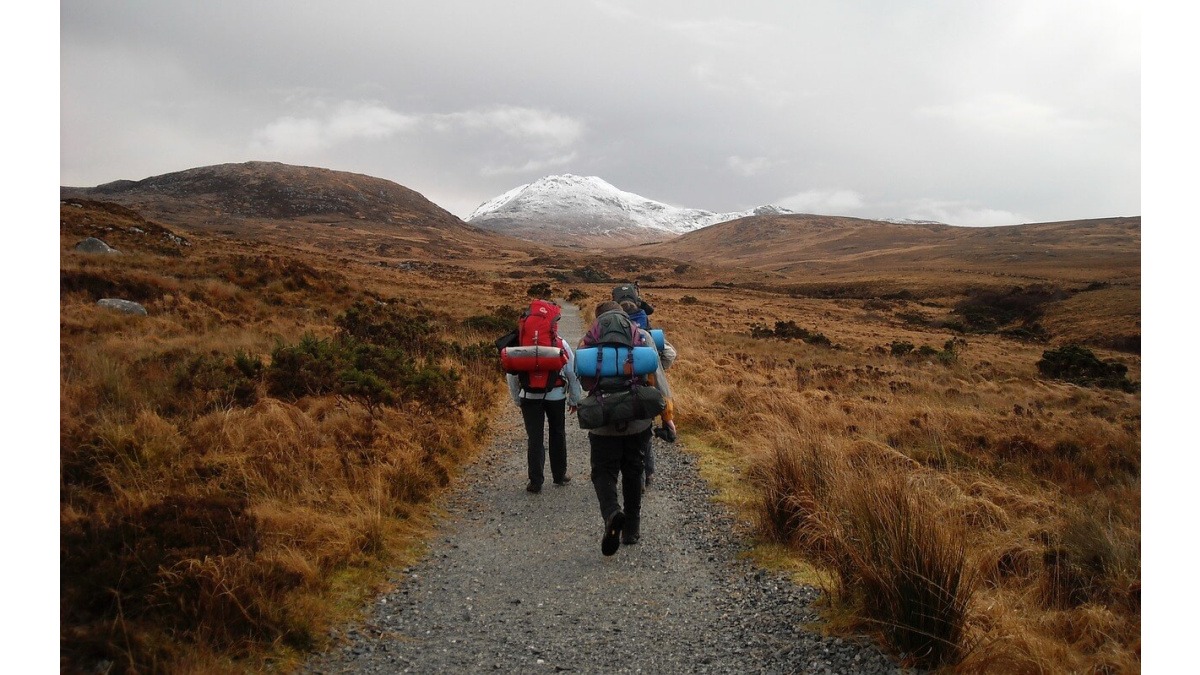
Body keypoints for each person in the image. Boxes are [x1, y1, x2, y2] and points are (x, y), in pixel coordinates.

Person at [578, 301, 677, 554]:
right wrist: (667, 417)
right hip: (638, 418)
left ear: (598, 319)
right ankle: (632, 529)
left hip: (602, 421)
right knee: (634, 470)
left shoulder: (588, 340)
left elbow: (585, 382)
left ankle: (612, 513)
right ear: (625, 318)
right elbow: (658, 380)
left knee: (603, 472)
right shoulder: (642, 336)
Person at [507, 302, 583, 494]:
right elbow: (572, 372)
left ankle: (535, 481)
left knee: (535, 437)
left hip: (529, 396)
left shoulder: (519, 344)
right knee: (557, 433)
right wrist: (574, 399)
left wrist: (517, 398)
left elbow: (512, 374)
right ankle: (559, 475)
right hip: (556, 395)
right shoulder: (560, 343)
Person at [617, 300, 676, 489]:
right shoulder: (645, 335)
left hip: (617, 392)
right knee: (644, 436)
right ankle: (646, 475)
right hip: (646, 391)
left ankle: (628, 476)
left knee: (621, 437)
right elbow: (670, 355)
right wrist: (667, 416)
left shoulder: (609, 334)